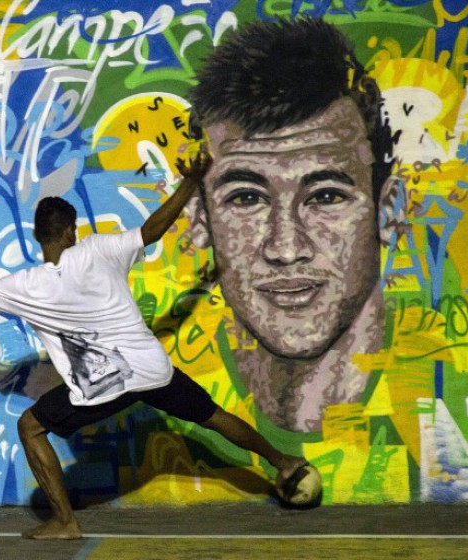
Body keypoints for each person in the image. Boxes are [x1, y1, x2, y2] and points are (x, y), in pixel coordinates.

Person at [0, 152, 310, 539]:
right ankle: (283, 461)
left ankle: (65, 522)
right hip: (150, 370)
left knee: (31, 427)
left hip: (104, 386)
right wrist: (191, 183)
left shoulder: (27, 286)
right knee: (213, 417)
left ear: (40, 236)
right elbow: (154, 228)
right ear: (69, 230)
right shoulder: (100, 251)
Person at [185, 18, 403, 432]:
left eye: (325, 196)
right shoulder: (169, 391)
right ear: (200, 220)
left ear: (388, 212)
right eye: (247, 198)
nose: (285, 248)